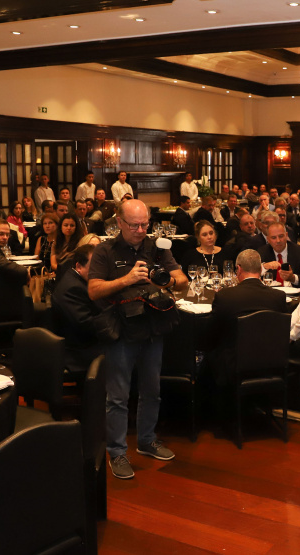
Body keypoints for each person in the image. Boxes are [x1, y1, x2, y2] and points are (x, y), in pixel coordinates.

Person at [88, 199, 188, 480]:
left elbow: (183, 280)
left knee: (152, 391)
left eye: (145, 224)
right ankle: (117, 452)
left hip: (153, 326)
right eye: (134, 225)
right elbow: (93, 290)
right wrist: (127, 279)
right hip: (121, 330)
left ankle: (146, 440)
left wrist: (167, 282)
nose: (141, 230)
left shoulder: (157, 247)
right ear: (119, 222)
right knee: (118, 397)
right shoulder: (105, 250)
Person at [208, 249, 287, 387]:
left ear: (238, 269)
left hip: (234, 364)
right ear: (260, 269)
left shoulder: (225, 296)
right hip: (270, 361)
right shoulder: (278, 296)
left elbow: (213, 333)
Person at [51, 244, 104, 376]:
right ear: (79, 267)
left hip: (85, 342)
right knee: (128, 352)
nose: (99, 271)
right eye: (94, 267)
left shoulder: (78, 279)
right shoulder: (73, 288)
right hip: (79, 351)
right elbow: (87, 325)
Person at [259, 222, 300, 288]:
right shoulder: (262, 252)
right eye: (273, 238)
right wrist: (264, 267)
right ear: (268, 239)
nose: (278, 241)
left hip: (295, 292)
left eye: (281, 236)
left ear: (286, 235)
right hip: (270, 292)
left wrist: (293, 278)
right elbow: (252, 276)